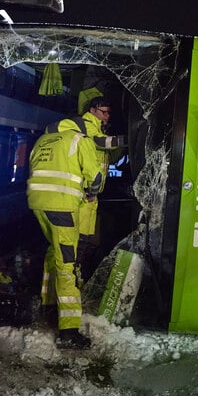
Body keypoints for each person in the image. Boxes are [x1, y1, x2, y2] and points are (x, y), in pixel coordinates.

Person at [27, 119, 104, 349]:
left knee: (54, 250)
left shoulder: (42, 141)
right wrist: (91, 193)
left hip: (38, 205)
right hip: (62, 208)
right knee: (67, 264)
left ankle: (49, 303)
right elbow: (96, 177)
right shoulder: (81, 140)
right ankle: (69, 331)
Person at [47, 95, 127, 280]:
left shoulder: (97, 126)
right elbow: (101, 142)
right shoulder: (86, 124)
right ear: (92, 111)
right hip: (83, 194)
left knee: (86, 241)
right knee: (77, 242)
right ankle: (71, 280)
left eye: (109, 113)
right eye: (103, 112)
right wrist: (127, 139)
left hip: (92, 195)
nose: (107, 116)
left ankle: (77, 277)